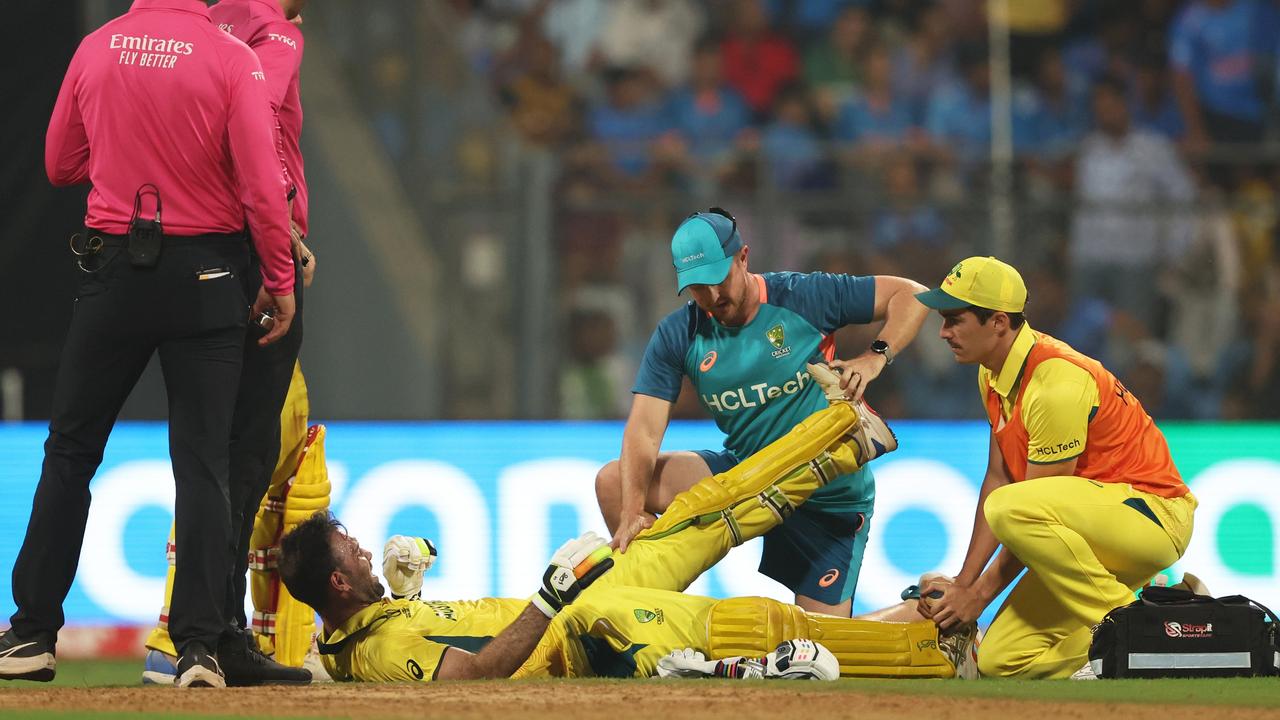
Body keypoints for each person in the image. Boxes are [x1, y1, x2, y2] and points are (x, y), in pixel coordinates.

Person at [0, 0, 296, 689]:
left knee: (71, 450)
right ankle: (196, 649)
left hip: (113, 274)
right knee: (202, 463)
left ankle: (33, 633)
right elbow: (260, 185)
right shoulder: (233, 59)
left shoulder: (97, 47)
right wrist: (278, 278)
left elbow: (59, 163)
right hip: (208, 276)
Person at [279, 398, 975, 682]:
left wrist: (405, 594)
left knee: (692, 517)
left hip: (572, 607)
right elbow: (470, 678)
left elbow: (386, 648)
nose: (366, 551)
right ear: (337, 584)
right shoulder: (378, 650)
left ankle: (844, 437)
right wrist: (551, 601)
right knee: (734, 624)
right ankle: (928, 649)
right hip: (579, 634)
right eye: (353, 553)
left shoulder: (362, 630)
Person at [595, 207, 930, 617]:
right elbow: (644, 431)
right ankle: (649, 620)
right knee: (614, 482)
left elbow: (912, 293)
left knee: (821, 650)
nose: (713, 297)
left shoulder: (802, 296)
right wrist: (631, 512)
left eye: (720, 280)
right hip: (748, 477)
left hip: (825, 496)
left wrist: (874, 357)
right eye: (699, 288)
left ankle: (928, 618)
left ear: (743, 258)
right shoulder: (678, 333)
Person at [140, 0, 316, 687]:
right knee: (245, 457)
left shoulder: (198, 27)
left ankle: (198, 634)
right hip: (255, 252)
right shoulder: (276, 34)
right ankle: (213, 636)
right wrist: (282, 232)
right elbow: (252, 118)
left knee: (207, 447)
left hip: (184, 245)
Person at [912, 256, 1197, 679]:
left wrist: (979, 599)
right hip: (1089, 534)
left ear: (998, 322)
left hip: (1151, 516)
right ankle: (1174, 616)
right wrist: (962, 584)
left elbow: (1028, 508)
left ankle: (1133, 626)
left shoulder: (1055, 383)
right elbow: (999, 476)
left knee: (1012, 507)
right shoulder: (991, 372)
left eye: (955, 319)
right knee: (1001, 662)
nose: (943, 332)